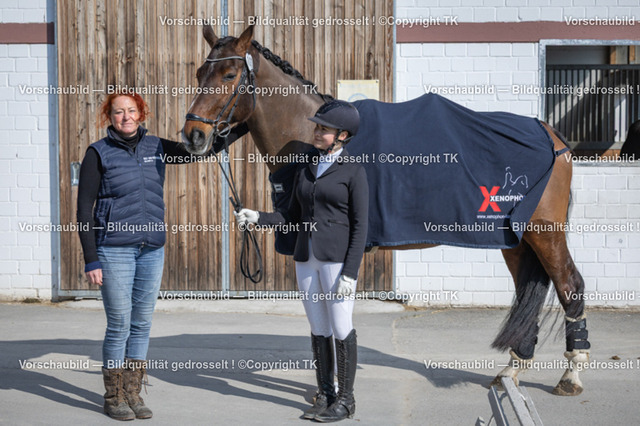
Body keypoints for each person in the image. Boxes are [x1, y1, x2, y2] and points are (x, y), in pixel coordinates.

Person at [76, 92, 224, 420]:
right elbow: (84, 210)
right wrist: (91, 258)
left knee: (142, 323)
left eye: (131, 110)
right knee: (119, 324)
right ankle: (114, 396)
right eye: (118, 112)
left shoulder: (157, 147)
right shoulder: (98, 153)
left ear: (141, 114)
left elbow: (201, 150)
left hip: (151, 249)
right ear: (110, 117)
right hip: (114, 249)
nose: (125, 117)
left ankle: (133, 392)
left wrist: (237, 128)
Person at [236, 100, 369, 422]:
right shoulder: (307, 167)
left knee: (341, 326)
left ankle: (346, 400)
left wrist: (350, 273)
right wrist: (258, 217)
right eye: (317, 127)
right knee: (318, 327)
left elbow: (361, 225)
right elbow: (291, 215)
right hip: (306, 258)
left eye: (324, 129)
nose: (317, 132)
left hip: (336, 261)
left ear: (343, 135)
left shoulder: (353, 170)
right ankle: (325, 393)